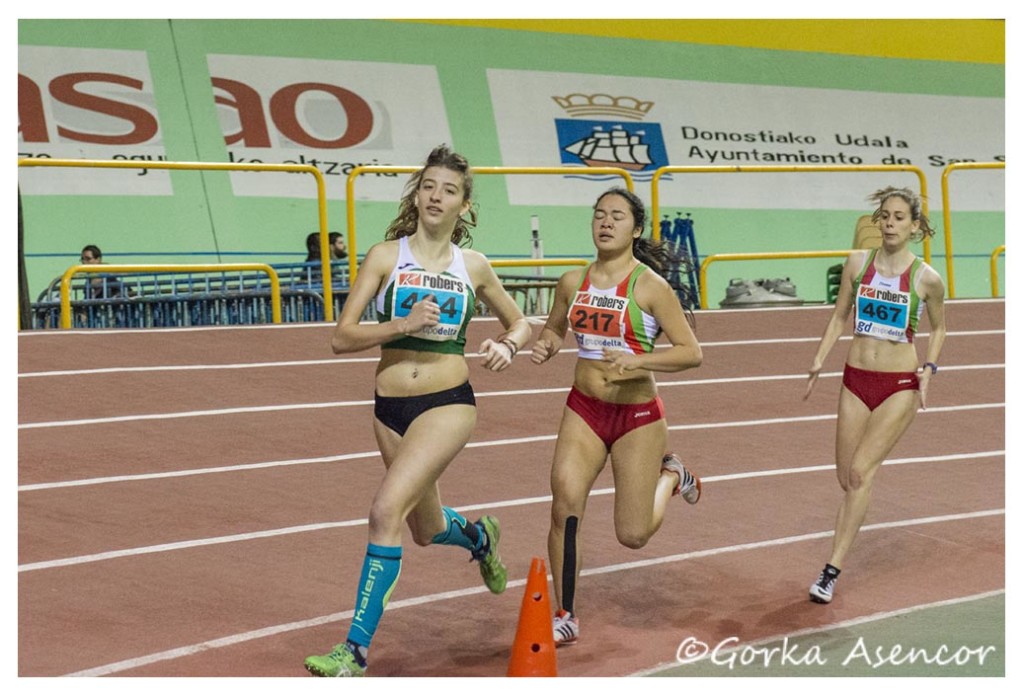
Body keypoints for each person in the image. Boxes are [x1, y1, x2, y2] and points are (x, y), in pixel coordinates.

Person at [304, 145, 532, 677]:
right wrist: (399, 326)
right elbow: (341, 337)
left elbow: (520, 323)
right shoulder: (386, 256)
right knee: (425, 529)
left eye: (449, 190)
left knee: (385, 512)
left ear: (465, 207)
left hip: (447, 403)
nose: (437, 195)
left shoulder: (472, 266)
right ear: (417, 193)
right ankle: (479, 537)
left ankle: (353, 652)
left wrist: (509, 345)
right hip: (389, 409)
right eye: (429, 185)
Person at [529, 187, 703, 647]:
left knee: (633, 534)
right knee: (564, 505)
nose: (606, 222)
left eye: (618, 216)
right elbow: (555, 326)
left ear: (636, 228)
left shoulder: (650, 287)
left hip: (637, 416)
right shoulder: (572, 281)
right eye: (600, 215)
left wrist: (641, 362)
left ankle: (672, 473)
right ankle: (565, 613)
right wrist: (547, 343)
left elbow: (691, 353)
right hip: (584, 408)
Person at [804, 186, 946, 604]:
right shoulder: (857, 263)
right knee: (845, 477)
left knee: (861, 473)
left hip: (898, 385)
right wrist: (818, 359)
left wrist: (929, 369)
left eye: (900, 217)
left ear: (915, 226)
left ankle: (831, 570)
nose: (890, 223)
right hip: (854, 380)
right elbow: (838, 316)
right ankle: (843, 541)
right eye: (885, 216)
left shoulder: (925, 278)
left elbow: (939, 328)